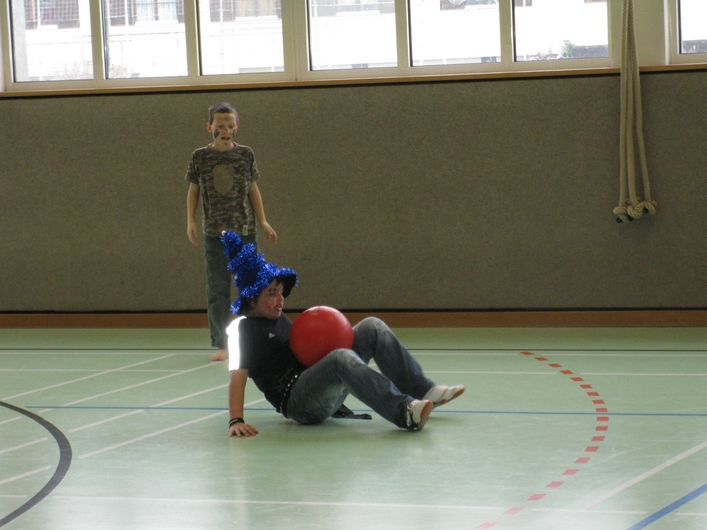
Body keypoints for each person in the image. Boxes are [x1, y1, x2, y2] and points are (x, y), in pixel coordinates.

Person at [221, 231, 465, 437]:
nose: (280, 299)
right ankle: (405, 412)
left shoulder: (277, 317)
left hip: (318, 386)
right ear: (251, 299)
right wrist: (236, 421)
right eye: (271, 293)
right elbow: (237, 379)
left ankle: (421, 389)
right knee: (340, 358)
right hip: (299, 403)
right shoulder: (242, 331)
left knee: (371, 326)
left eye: (281, 292)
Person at [185, 102, 277, 362]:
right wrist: (190, 221)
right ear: (209, 127)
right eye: (219, 126)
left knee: (252, 287)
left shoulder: (245, 155)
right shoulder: (200, 157)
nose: (225, 131)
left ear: (237, 127)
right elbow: (193, 191)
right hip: (215, 234)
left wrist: (263, 221)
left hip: (244, 232)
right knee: (217, 290)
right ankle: (222, 344)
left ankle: (256, 339)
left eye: (229, 126)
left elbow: (253, 189)